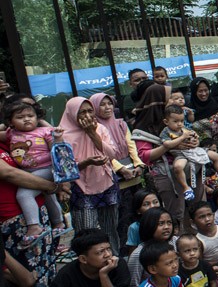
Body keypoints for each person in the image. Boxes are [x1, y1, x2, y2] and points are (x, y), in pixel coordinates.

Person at [132, 83, 200, 226]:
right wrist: (169, 145)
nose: (173, 102)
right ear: (158, 102)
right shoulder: (143, 128)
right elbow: (146, 156)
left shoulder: (174, 123)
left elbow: (188, 137)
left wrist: (193, 142)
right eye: (169, 99)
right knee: (177, 215)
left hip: (189, 167)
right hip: (166, 174)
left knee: (197, 210)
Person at [0, 125, 60, 286]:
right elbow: (8, 173)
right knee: (30, 274)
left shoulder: (12, 137)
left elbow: (50, 133)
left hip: (36, 212)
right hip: (12, 220)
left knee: (46, 268)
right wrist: (51, 186)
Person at [61, 97, 121, 255]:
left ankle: (114, 259)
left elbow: (112, 154)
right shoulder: (63, 136)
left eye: (89, 111)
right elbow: (64, 170)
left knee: (110, 228)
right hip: (81, 188)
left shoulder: (99, 129)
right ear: (72, 114)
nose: (87, 116)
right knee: (87, 232)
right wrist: (86, 163)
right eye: (82, 112)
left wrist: (92, 133)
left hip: (106, 183)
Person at [2, 102, 68, 245]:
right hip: (28, 171)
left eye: (30, 116)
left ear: (37, 118)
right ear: (10, 122)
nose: (26, 119)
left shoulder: (43, 132)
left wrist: (57, 136)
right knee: (47, 194)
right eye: (20, 117)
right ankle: (58, 223)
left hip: (46, 168)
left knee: (24, 194)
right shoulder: (10, 133)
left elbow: (57, 151)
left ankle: (34, 226)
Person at [90, 93, 146, 255]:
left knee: (139, 212)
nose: (107, 107)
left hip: (134, 175)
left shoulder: (121, 123)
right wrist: (120, 168)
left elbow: (131, 144)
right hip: (115, 179)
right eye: (102, 104)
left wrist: (138, 164)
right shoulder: (93, 129)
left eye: (109, 104)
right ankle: (126, 251)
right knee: (123, 218)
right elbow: (101, 151)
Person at [160, 105, 218, 201]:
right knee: (178, 167)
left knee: (215, 155)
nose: (179, 124)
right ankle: (186, 188)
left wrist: (195, 139)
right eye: (175, 121)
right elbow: (167, 144)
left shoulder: (185, 129)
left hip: (194, 150)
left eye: (181, 121)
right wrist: (182, 137)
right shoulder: (166, 131)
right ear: (166, 121)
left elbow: (195, 137)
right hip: (180, 154)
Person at [52, 228, 131, 287]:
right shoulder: (66, 275)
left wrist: (104, 275)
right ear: (83, 259)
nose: (108, 255)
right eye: (100, 252)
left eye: (108, 249)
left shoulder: (118, 264)